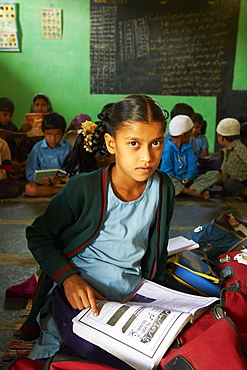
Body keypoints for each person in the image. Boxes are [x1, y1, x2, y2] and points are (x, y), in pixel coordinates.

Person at [20, 94, 175, 368]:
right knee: (101, 354)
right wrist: (68, 278)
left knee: (167, 347)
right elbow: (38, 235)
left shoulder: (162, 188)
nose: (147, 157)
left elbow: (156, 250)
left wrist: (164, 299)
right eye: (134, 144)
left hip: (131, 295)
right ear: (111, 144)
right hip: (82, 295)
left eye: (156, 143)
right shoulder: (84, 188)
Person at [160, 115, 222, 199]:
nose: (192, 134)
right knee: (166, 181)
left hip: (189, 181)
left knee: (216, 175)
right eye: (190, 132)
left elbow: (192, 168)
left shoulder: (188, 147)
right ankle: (194, 193)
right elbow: (166, 172)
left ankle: (185, 191)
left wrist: (186, 180)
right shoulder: (168, 149)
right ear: (183, 135)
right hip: (175, 181)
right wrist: (179, 181)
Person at [25, 112, 72, 197]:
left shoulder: (68, 147)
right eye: (49, 134)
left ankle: (58, 188)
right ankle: (61, 190)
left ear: (63, 133)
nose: (53, 139)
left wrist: (61, 180)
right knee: (30, 188)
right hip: (43, 184)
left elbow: (74, 170)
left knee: (75, 184)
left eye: (57, 135)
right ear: (43, 132)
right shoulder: (37, 148)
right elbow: (30, 173)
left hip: (61, 183)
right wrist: (40, 180)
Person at [0, 97, 32, 179]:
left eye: (10, 115)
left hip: (13, 162)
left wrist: (19, 144)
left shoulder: (12, 128)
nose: (8, 118)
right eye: (4, 115)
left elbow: (20, 152)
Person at [216, 118, 247, 202]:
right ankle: (241, 194)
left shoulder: (239, 148)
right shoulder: (227, 150)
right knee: (229, 183)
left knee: (231, 183)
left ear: (221, 137)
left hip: (244, 180)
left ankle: (243, 193)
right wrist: (225, 186)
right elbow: (224, 170)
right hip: (237, 181)